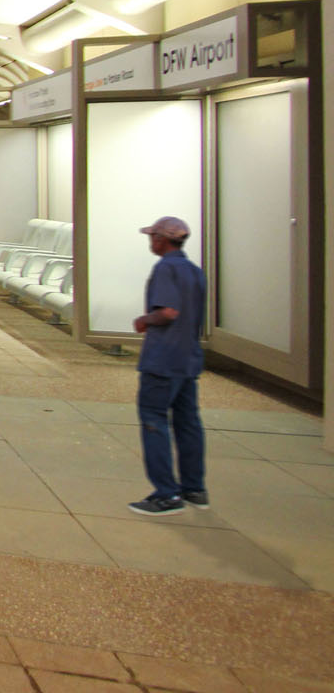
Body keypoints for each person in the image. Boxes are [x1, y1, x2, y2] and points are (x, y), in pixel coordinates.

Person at [127, 215, 209, 516]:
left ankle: (166, 493)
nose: (151, 241)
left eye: (152, 236)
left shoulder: (165, 268)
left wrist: (144, 320)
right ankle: (194, 488)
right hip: (188, 360)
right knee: (188, 424)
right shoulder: (195, 271)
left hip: (162, 360)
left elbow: (169, 312)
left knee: (154, 420)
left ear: (161, 239)